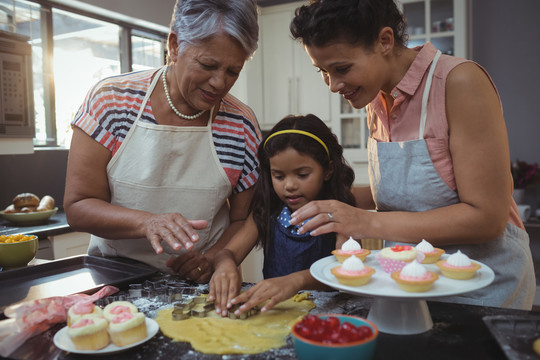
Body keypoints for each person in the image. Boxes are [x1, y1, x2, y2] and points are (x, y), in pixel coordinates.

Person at [288, 0, 535, 310]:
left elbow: (487, 218)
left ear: (385, 41)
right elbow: (409, 198)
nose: (333, 85)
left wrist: (364, 222)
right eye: (322, 72)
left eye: (341, 69)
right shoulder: (375, 101)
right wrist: (327, 199)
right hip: (413, 282)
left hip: (481, 287)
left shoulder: (459, 83)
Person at [63, 0, 261, 283]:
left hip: (200, 286)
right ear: (175, 46)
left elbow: (243, 220)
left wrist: (214, 257)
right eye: (208, 64)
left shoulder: (241, 125)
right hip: (113, 280)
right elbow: (79, 205)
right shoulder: (111, 101)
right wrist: (147, 221)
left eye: (233, 71)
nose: (219, 83)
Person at [208, 114, 356, 316]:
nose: (289, 185)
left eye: (302, 175)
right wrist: (225, 264)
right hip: (275, 313)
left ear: (328, 170)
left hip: (324, 317)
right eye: (278, 176)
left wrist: (296, 281)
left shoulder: (340, 216)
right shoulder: (267, 213)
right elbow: (228, 253)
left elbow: (347, 269)